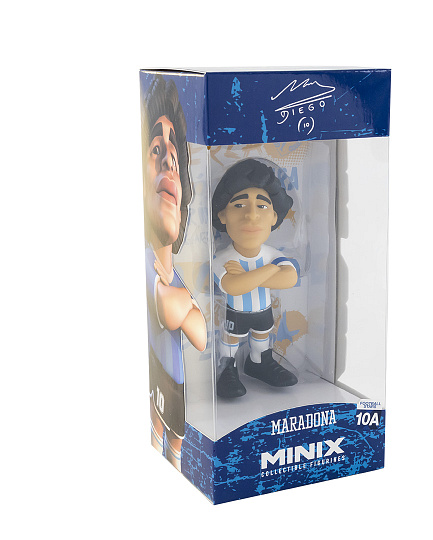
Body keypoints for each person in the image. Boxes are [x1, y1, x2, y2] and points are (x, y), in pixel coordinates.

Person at [142, 75, 207, 468]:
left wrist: (182, 303)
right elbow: (171, 312)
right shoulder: (143, 261)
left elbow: (200, 336)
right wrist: (185, 304)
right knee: (156, 443)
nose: (169, 159)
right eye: (156, 149)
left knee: (177, 453)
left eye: (176, 157)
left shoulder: (173, 276)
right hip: (156, 385)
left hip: (179, 387)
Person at [212, 159, 298, 398]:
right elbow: (232, 286)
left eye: (261, 206)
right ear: (222, 215)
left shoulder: (272, 254)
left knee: (262, 337)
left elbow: (289, 278)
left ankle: (259, 362)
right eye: (239, 205)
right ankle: (227, 368)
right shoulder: (222, 258)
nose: (251, 215)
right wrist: (270, 270)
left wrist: (249, 277)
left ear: (274, 217)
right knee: (230, 340)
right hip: (235, 313)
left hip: (263, 311)